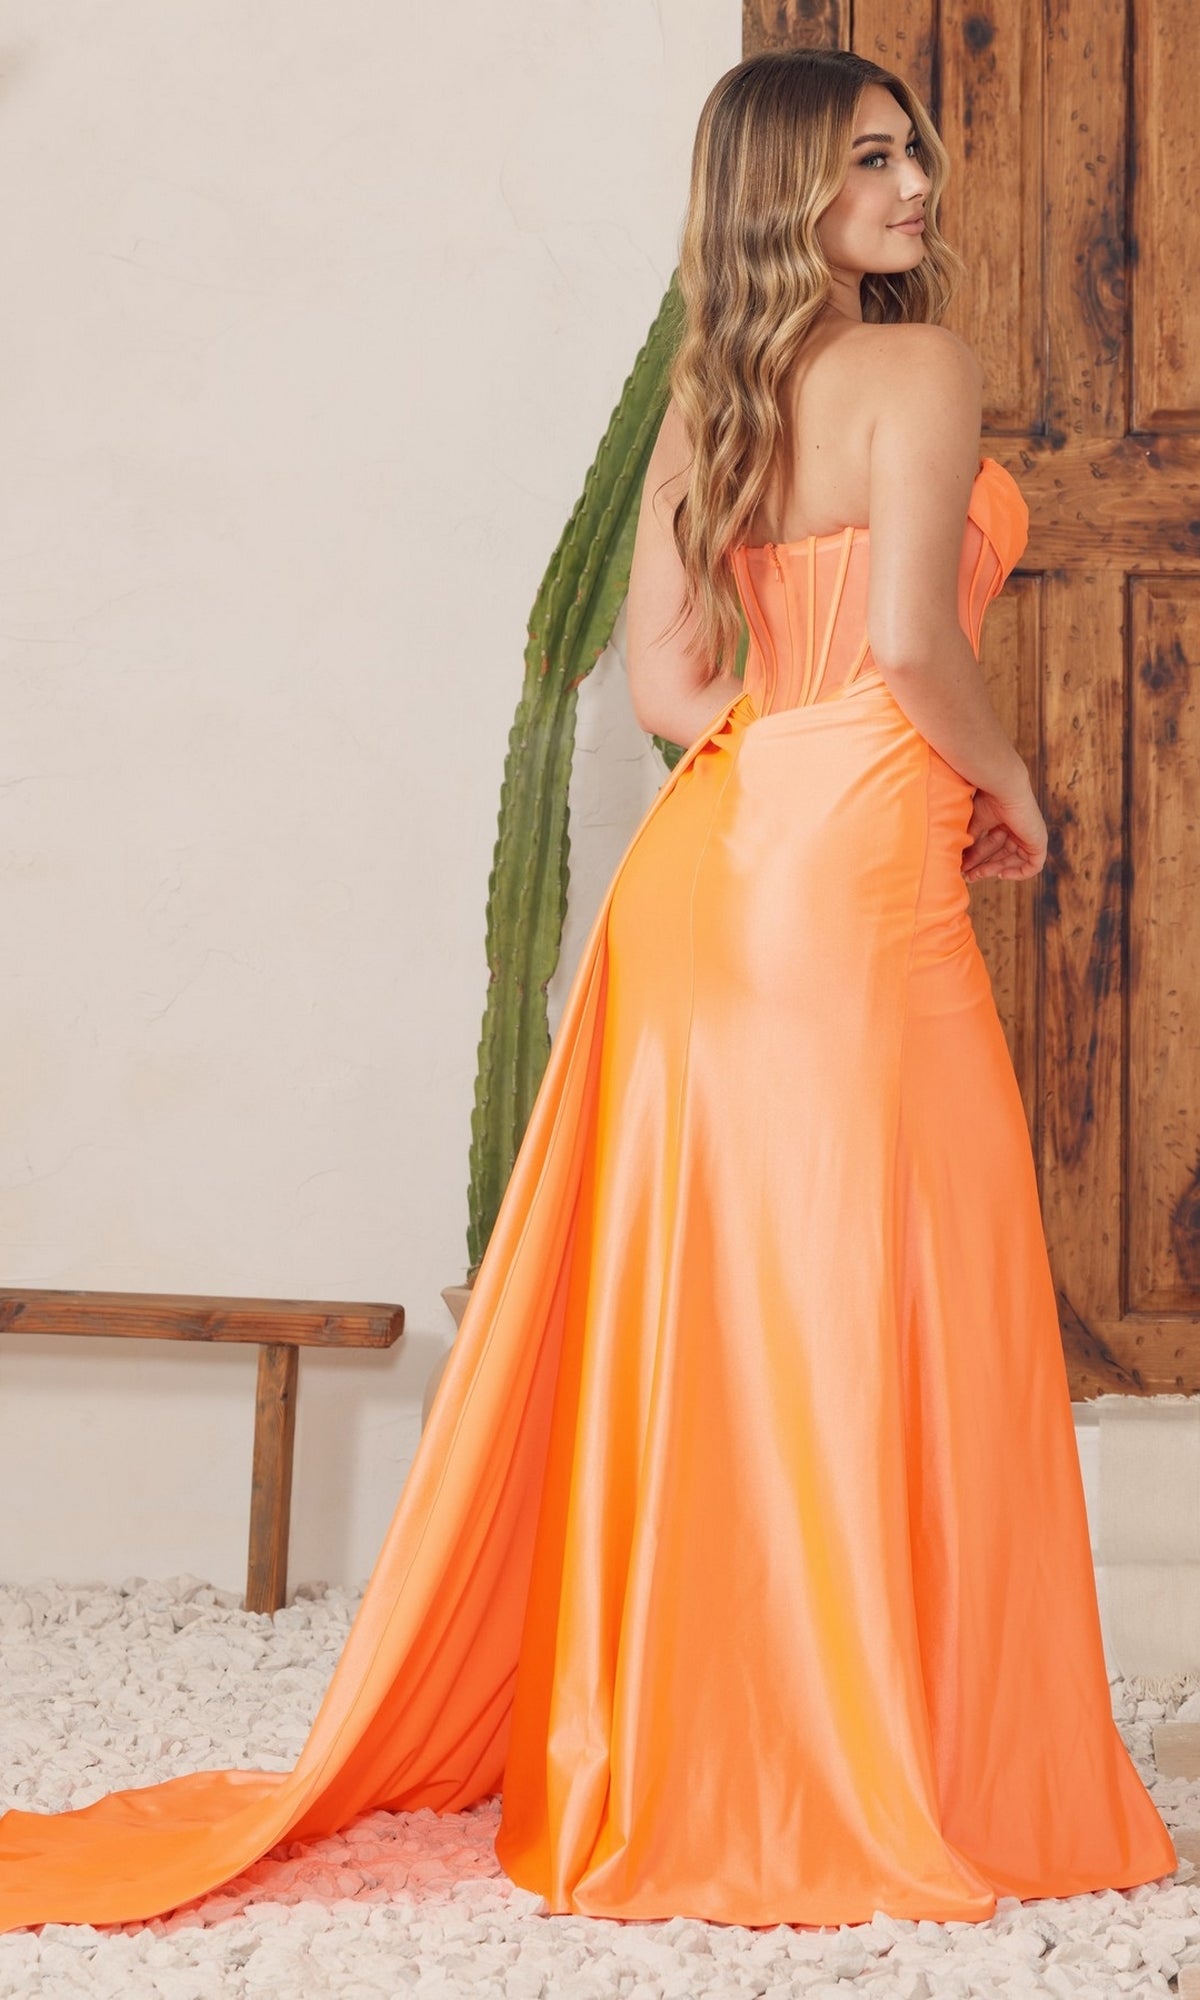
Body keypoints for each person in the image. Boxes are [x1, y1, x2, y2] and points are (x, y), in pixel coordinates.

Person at [0, 47, 1178, 1934]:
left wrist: (787, 777)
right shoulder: (922, 370)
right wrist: (1004, 782)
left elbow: (665, 691)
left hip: (711, 874)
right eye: (875, 159)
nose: (919, 185)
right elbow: (908, 645)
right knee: (897, 1288)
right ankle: (879, 1755)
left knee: (743, 1306)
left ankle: (720, 1730)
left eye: (917, 152)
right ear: (792, 188)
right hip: (856, 880)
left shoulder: (715, 400)